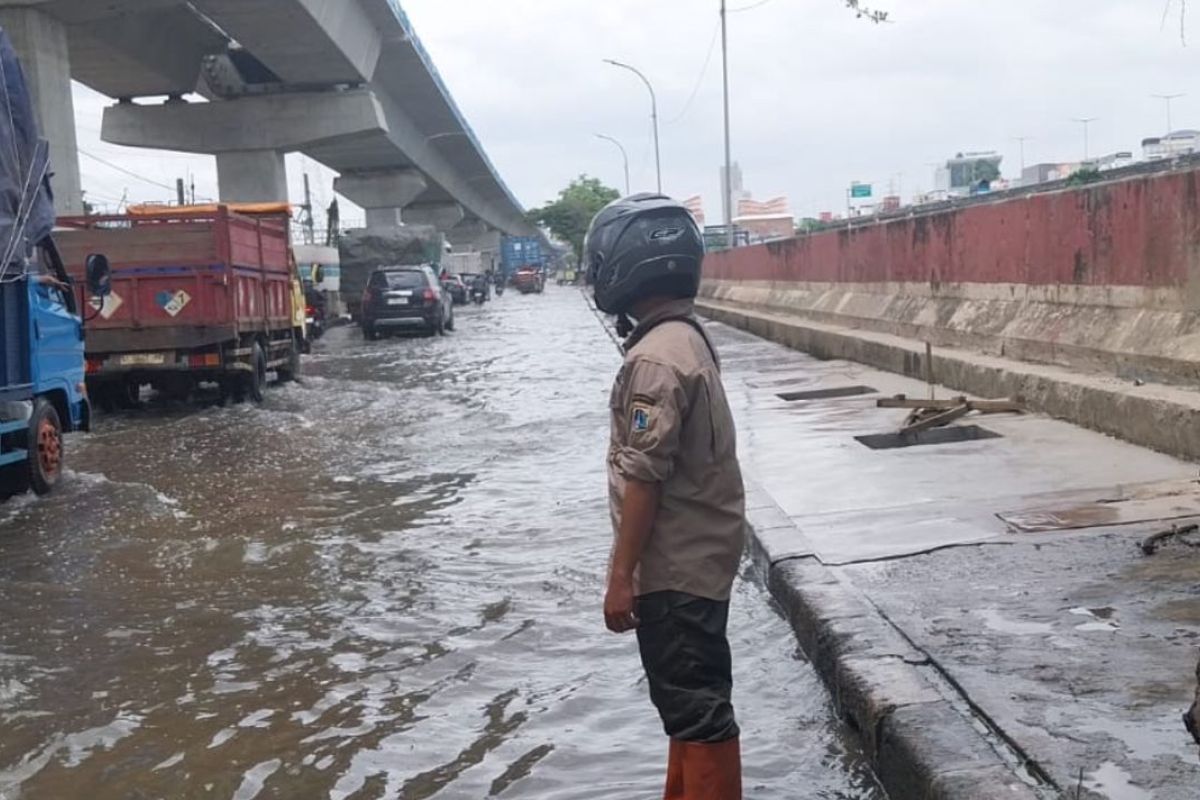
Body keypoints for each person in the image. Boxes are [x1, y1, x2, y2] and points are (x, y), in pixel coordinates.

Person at [585, 194, 746, 799]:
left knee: (697, 714)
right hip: (702, 557)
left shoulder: (653, 359)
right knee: (689, 707)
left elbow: (644, 477)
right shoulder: (687, 338)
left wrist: (620, 576)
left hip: (675, 568)